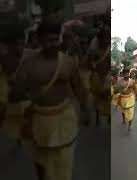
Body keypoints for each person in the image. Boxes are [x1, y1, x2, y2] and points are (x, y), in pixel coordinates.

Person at [15, 22, 88, 180]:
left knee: (64, 163)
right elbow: (16, 93)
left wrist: (85, 110)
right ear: (39, 40)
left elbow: (79, 88)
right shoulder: (29, 64)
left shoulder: (68, 62)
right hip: (39, 120)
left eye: (57, 39)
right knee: (42, 164)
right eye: (49, 40)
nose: (54, 45)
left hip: (64, 118)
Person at [0, 20, 30, 148]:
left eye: (22, 43)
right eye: (16, 44)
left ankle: (21, 137)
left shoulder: (28, 55)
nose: (20, 47)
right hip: (8, 97)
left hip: (23, 97)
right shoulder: (5, 57)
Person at [89, 29, 109, 127]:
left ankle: (109, 118)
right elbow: (91, 63)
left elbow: (110, 64)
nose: (105, 41)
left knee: (107, 96)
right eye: (103, 39)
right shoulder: (94, 50)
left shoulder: (109, 50)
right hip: (97, 75)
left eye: (106, 39)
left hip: (106, 76)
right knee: (97, 98)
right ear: (99, 39)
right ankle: (97, 118)